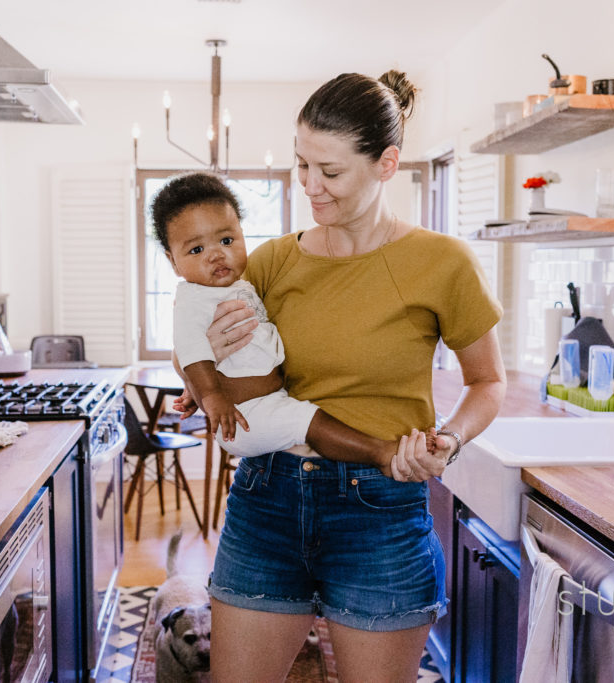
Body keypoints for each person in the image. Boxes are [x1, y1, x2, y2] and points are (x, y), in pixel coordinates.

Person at [183, 70, 507, 682]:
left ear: (387, 163)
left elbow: (487, 382)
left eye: (330, 172)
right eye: (302, 165)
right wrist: (204, 370)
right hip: (266, 499)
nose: (311, 186)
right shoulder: (274, 260)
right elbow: (214, 353)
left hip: (378, 511)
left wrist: (452, 439)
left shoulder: (442, 263)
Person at [152, 171, 415, 467]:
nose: (216, 255)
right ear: (173, 261)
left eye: (227, 240)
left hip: (268, 401)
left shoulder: (238, 283)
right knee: (312, 423)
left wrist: (197, 387)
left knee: (310, 423)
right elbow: (190, 349)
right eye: (197, 249)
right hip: (245, 415)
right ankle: (380, 453)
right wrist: (209, 393)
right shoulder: (192, 299)